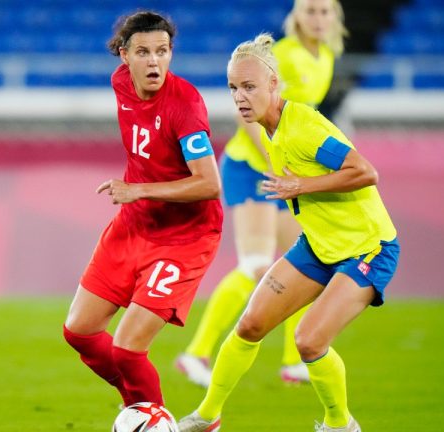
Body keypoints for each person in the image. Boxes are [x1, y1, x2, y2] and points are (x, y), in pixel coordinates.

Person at [178, 33, 399, 432]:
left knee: (309, 341)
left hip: (368, 249)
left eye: (249, 87)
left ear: (273, 85)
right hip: (318, 246)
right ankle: (207, 417)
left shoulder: (304, 128)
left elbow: (365, 172)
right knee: (250, 325)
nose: (240, 97)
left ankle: (340, 424)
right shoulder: (270, 127)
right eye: (233, 88)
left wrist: (301, 186)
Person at [176, 0, 348, 387]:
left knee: (305, 266)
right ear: (297, 16)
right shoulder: (283, 56)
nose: (318, 19)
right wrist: (273, 158)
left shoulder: (325, 57)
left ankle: (293, 360)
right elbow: (245, 109)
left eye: (325, 12)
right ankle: (197, 352)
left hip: (282, 171)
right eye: (311, 11)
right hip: (253, 168)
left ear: (335, 18)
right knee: (255, 265)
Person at [62, 11, 223, 409]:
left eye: (163, 51)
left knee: (128, 350)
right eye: (144, 52)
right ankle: (139, 406)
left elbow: (209, 184)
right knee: (79, 332)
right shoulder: (121, 84)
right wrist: (138, 197)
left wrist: (139, 190)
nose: (154, 62)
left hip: (183, 238)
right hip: (134, 226)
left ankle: (152, 416)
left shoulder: (185, 105)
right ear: (123, 55)